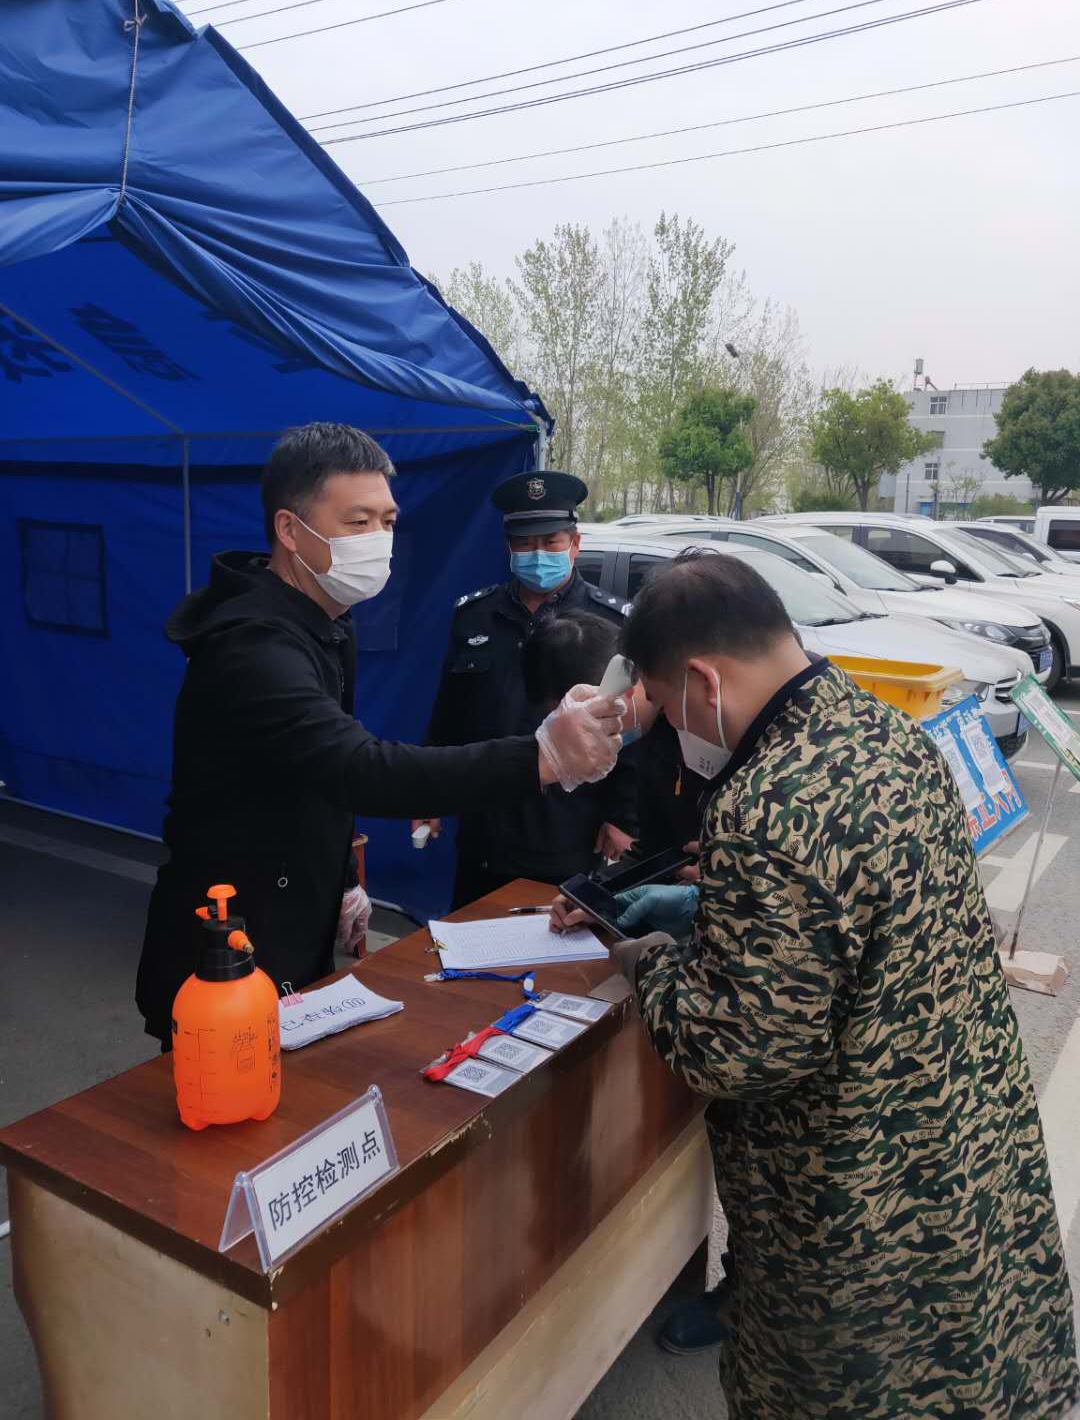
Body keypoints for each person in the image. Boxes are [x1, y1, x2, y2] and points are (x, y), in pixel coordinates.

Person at [554, 551, 1079, 1419]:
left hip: (858, 1188)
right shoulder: (885, 732)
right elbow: (861, 909)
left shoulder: (765, 802)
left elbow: (736, 1051)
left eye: (667, 706)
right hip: (966, 1128)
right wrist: (713, 906)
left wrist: (649, 960)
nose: (675, 730)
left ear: (702, 681)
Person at [136, 423, 623, 1045]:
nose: (378, 540)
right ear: (290, 530)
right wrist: (543, 756)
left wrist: (340, 877)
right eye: (358, 522)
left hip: (290, 922)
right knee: (225, 1092)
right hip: (226, 945)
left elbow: (310, 772)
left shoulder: (324, 623)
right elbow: (353, 766)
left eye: (388, 522)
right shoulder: (252, 646)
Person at [417, 471, 638, 908]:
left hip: (569, 824)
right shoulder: (475, 615)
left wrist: (623, 816)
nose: (538, 554)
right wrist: (430, 793)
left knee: (560, 937)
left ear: (574, 544)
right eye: (524, 543)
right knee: (471, 936)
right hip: (487, 822)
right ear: (508, 548)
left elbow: (630, 728)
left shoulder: (609, 623)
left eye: (550, 542)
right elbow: (450, 714)